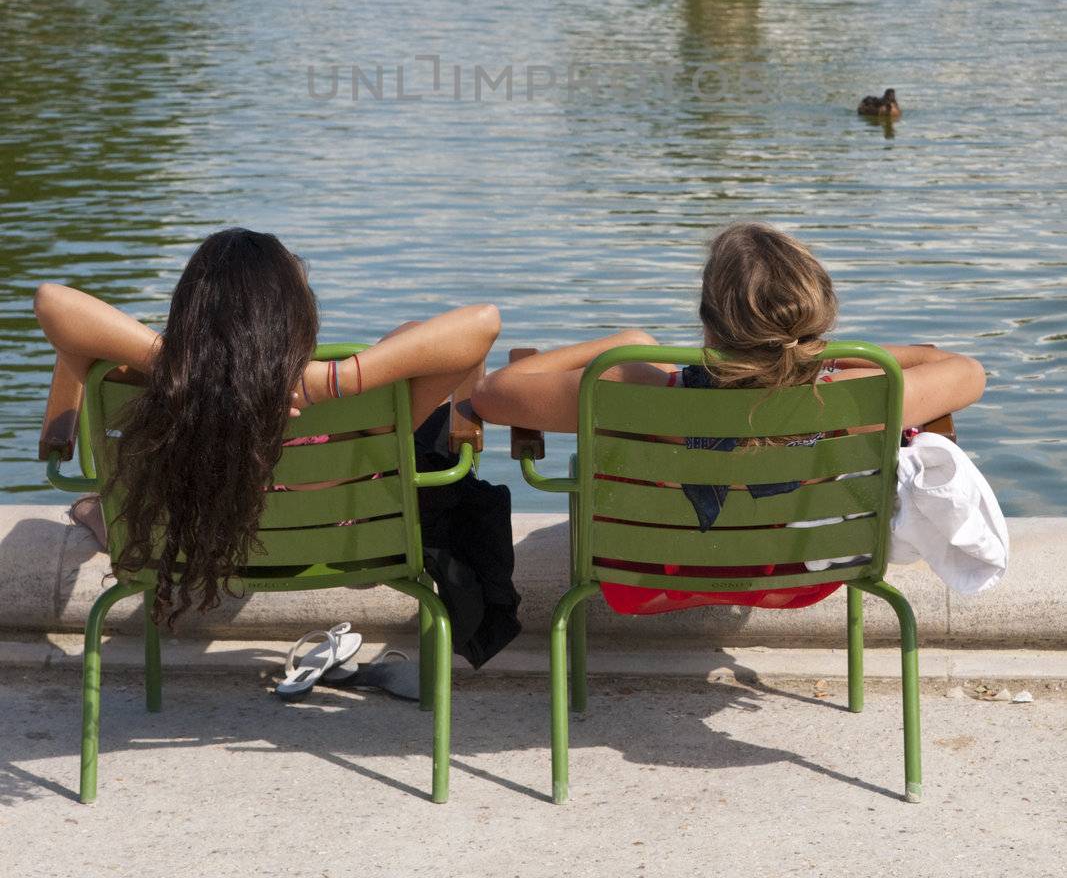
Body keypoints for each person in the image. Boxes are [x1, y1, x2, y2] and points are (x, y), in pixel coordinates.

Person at [471, 223, 986, 614]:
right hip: (797, 577)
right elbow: (965, 371)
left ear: (706, 320)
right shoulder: (858, 392)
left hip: (644, 575)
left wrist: (624, 343)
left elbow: (492, 395)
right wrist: (833, 356)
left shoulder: (632, 384)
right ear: (817, 320)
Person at [33, 228, 500, 624]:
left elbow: (53, 302)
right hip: (343, 553)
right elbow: (481, 324)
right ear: (296, 316)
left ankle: (93, 511)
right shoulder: (361, 406)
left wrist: (191, 367)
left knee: (105, 503)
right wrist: (328, 380)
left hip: (190, 548)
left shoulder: (171, 393)